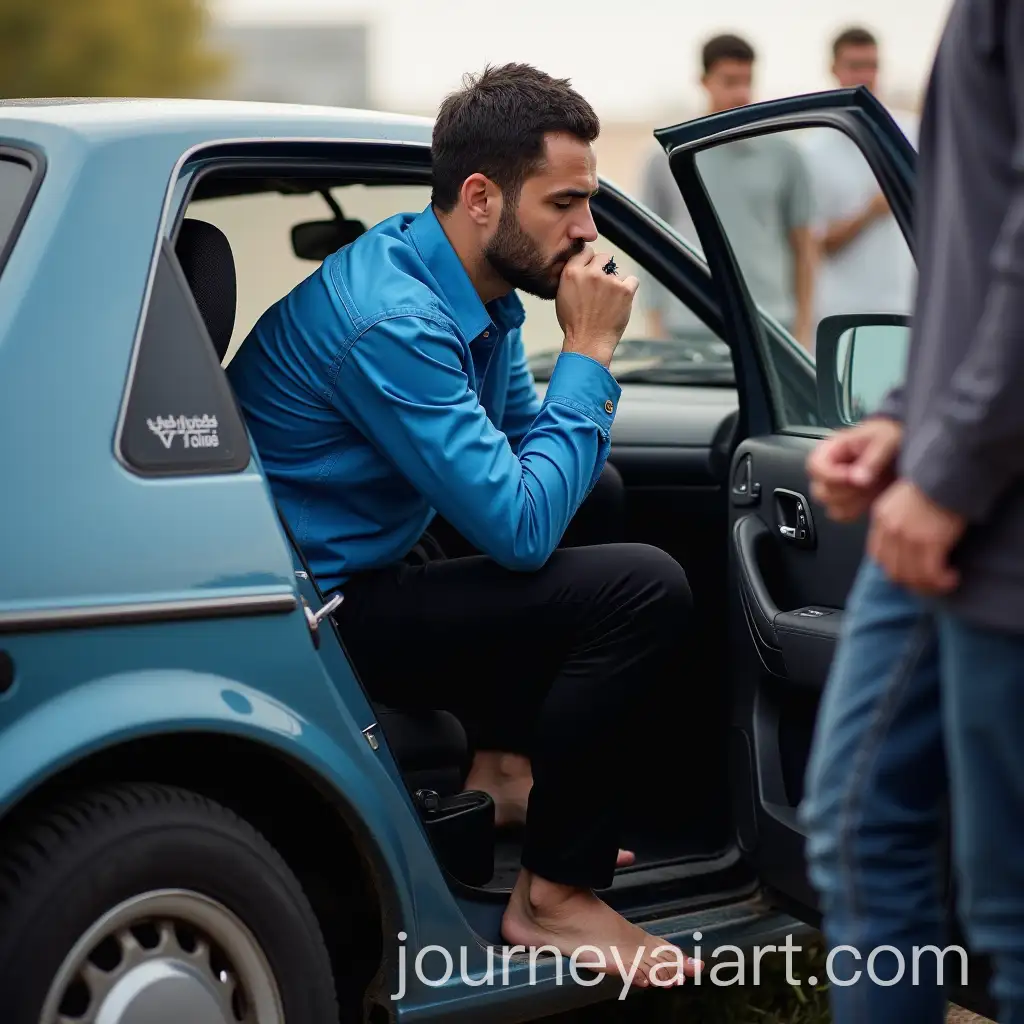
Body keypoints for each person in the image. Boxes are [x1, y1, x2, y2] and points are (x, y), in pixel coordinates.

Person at [227, 63, 699, 986]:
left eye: (589, 202)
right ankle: (554, 897)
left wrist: (572, 378)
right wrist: (592, 352)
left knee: (591, 491)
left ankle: (504, 771)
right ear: (481, 197)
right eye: (566, 203)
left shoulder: (466, 289)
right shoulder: (394, 319)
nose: (587, 230)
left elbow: (529, 450)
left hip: (373, 547)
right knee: (645, 587)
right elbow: (520, 529)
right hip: (320, 609)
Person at [801, 1, 1024, 1020]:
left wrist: (948, 468)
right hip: (960, 484)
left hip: (990, 521)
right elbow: (976, 265)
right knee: (857, 828)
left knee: (1006, 913)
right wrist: (902, 419)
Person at [638, 33, 816, 351]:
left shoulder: (786, 155)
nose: (741, 92)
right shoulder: (666, 156)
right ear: (704, 81)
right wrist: (656, 325)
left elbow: (803, 246)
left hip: (771, 324)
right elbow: (647, 245)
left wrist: (803, 326)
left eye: (747, 80)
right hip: (690, 326)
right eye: (729, 81)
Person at [800, 27, 919, 339]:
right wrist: (870, 211)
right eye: (855, 66)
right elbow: (816, 246)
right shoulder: (812, 150)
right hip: (845, 318)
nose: (866, 75)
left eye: (872, 65)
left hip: (911, 311)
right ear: (834, 69)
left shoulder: (913, 132)